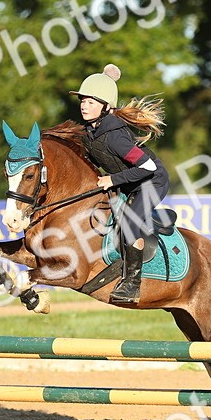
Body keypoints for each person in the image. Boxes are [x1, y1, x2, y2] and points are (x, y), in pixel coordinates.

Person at [69, 63, 169, 304]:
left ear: (105, 106)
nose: (84, 105)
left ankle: (133, 283)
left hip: (151, 182)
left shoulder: (115, 137)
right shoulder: (89, 131)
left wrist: (112, 179)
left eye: (91, 102)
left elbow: (147, 167)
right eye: (83, 100)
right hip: (130, 182)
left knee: (129, 226)